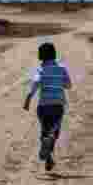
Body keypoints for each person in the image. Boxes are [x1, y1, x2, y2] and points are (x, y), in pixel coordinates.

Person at [23, 41, 72, 172]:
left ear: (40, 56)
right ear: (54, 54)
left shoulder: (41, 69)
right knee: (54, 130)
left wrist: (28, 99)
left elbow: (35, 83)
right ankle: (50, 144)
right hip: (57, 105)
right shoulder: (61, 68)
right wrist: (59, 82)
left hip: (43, 106)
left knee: (44, 131)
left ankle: (49, 158)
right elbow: (68, 85)